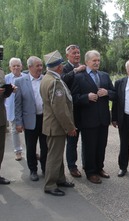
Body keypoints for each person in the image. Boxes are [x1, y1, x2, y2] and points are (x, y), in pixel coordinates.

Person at [71, 50, 115, 184]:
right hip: (87, 119)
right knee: (89, 146)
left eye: (98, 60)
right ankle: (90, 172)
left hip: (103, 118)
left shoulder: (105, 76)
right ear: (87, 62)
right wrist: (86, 97)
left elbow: (115, 94)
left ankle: (99, 168)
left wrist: (107, 92)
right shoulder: (79, 77)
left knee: (101, 145)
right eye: (94, 60)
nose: (97, 63)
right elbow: (73, 98)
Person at [40, 50, 77, 196]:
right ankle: (50, 185)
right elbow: (60, 109)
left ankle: (60, 179)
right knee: (54, 156)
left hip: (52, 125)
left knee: (57, 154)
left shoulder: (47, 78)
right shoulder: (54, 82)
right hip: (56, 126)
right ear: (59, 67)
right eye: (61, 64)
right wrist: (70, 127)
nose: (62, 66)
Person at [14, 56, 48, 181]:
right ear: (29, 67)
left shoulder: (46, 79)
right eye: (37, 66)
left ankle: (45, 168)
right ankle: (33, 170)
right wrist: (18, 122)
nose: (40, 68)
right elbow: (18, 105)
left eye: (41, 65)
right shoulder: (20, 82)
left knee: (45, 146)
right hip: (30, 120)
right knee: (31, 146)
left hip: (45, 119)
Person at [62, 44, 86, 178]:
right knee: (72, 141)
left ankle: (86, 164)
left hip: (84, 109)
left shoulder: (84, 67)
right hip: (71, 112)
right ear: (67, 56)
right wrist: (75, 71)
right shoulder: (64, 68)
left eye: (78, 52)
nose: (77, 55)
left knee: (86, 140)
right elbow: (62, 80)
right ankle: (72, 166)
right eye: (74, 53)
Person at [5, 58, 24, 161]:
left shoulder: (26, 77)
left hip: (25, 108)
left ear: (21, 66)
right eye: (14, 66)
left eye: (18, 65)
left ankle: (32, 151)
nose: (16, 67)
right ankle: (18, 151)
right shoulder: (6, 78)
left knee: (30, 131)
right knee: (14, 130)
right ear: (10, 68)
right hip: (12, 107)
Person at [0, 68, 14, 184]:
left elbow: (3, 96)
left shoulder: (1, 72)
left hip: (1, 117)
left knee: (0, 148)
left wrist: (8, 91)